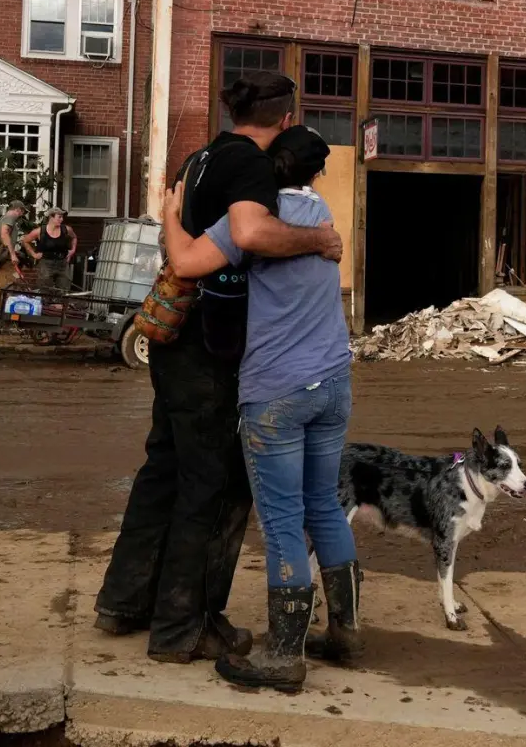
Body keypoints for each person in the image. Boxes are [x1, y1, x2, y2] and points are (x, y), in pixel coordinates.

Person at [93, 72, 344, 665]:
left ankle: (125, 602)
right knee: (217, 485)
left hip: (175, 340)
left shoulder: (198, 158)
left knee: (164, 470)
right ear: (285, 120)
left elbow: (178, 236)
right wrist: (318, 240)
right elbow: (251, 231)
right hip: (213, 347)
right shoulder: (252, 168)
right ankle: (185, 627)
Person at [162, 125, 359, 693]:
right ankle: (345, 632)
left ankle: (284, 654)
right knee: (322, 503)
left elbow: (185, 263)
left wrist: (171, 211)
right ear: (315, 172)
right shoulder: (322, 216)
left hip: (276, 390)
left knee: (279, 522)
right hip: (333, 383)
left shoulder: (249, 224)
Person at [0, 200, 27, 310]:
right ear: (18, 209)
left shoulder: (0, 219)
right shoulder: (10, 218)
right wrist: (12, 254)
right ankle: (8, 315)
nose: (22, 215)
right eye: (22, 212)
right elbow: (4, 234)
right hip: (3, 258)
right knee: (9, 286)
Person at [21, 208, 77, 292]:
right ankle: (47, 304)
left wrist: (73, 250)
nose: (62, 219)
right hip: (46, 263)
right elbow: (25, 241)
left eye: (62, 217)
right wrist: (33, 254)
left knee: (64, 289)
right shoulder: (40, 231)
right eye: (59, 217)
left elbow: (74, 237)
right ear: (51, 217)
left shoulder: (66, 229)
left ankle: (60, 304)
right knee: (45, 289)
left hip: (62, 263)